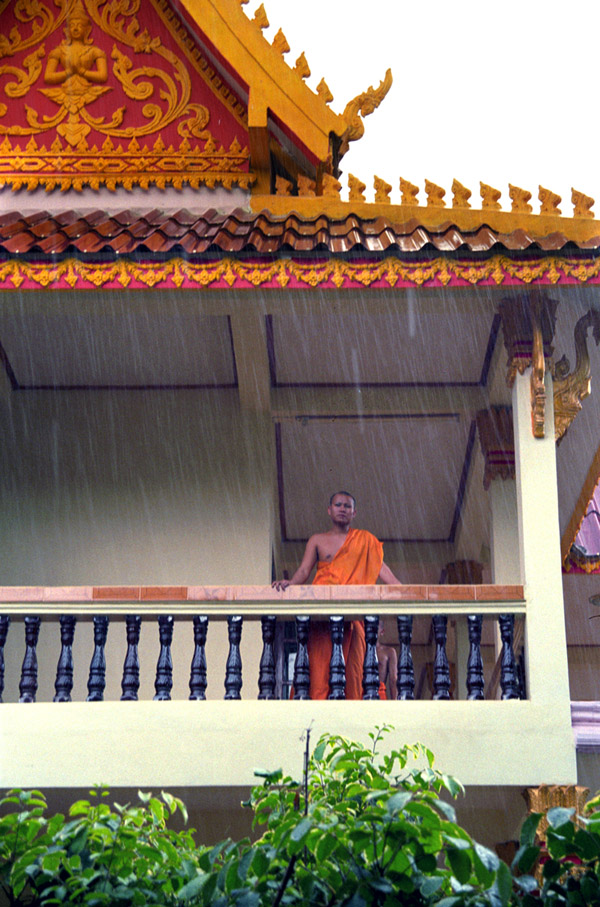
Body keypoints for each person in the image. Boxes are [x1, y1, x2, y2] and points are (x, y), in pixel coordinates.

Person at [272, 491, 402, 699]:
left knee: (354, 671)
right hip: (322, 616)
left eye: (347, 506)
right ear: (329, 510)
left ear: (354, 512)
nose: (343, 509)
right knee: (317, 670)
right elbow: (304, 571)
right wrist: (291, 583)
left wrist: (404, 589)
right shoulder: (318, 540)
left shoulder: (365, 541)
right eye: (338, 505)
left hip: (353, 619)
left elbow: (384, 573)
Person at [377, 623, 398, 700]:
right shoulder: (360, 650)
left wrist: (394, 704)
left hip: (379, 694)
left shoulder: (389, 652)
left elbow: (393, 680)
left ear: (382, 632)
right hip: (360, 693)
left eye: (376, 627)